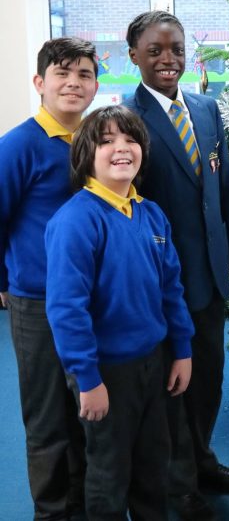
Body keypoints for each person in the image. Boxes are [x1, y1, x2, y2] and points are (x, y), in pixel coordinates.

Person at [124, 11, 229, 521]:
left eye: (176, 49)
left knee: (207, 380)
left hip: (210, 277)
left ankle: (202, 461)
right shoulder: (127, 121)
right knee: (171, 388)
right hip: (161, 284)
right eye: (155, 50)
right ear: (133, 56)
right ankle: (178, 487)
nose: (168, 59)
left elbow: (225, 194)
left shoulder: (206, 109)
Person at [45, 105, 195, 520]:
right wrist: (88, 379)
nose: (122, 148)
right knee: (109, 472)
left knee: (153, 465)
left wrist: (182, 350)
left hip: (154, 361)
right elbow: (66, 309)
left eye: (131, 139)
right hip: (105, 371)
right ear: (85, 156)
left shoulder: (152, 213)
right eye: (107, 141)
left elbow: (172, 290)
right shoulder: (75, 221)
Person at [0, 37, 99, 520]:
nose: (73, 83)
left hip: (90, 299)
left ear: (95, 86)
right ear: (40, 82)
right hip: (37, 301)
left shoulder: (96, 142)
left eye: (84, 75)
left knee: (87, 409)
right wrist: (5, 280)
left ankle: (82, 502)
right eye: (62, 73)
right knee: (46, 419)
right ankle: (53, 511)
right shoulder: (18, 146)